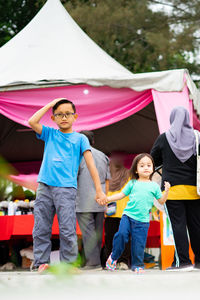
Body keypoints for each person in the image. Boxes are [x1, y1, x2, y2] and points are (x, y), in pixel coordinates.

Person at [28, 98, 107, 272]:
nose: (64, 117)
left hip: (66, 188)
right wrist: (49, 104)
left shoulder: (80, 139)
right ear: (53, 118)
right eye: (59, 114)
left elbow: (91, 164)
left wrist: (99, 190)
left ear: (75, 117)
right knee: (41, 226)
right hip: (45, 186)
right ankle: (41, 262)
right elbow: (32, 121)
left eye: (68, 114)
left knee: (67, 228)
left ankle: (68, 264)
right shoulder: (50, 133)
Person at [151, 106, 200, 271]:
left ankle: (183, 262)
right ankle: (199, 261)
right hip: (195, 190)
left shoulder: (164, 138)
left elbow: (153, 159)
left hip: (171, 190)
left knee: (178, 226)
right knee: (196, 226)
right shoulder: (197, 137)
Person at [105, 153, 170, 273]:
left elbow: (161, 201)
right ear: (136, 169)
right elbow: (121, 195)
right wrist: (107, 199)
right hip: (128, 216)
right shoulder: (132, 183)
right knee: (121, 235)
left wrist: (166, 192)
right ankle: (113, 257)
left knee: (138, 244)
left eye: (149, 165)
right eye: (142, 165)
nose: (146, 168)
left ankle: (137, 265)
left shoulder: (154, 186)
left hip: (143, 221)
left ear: (152, 168)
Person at [76, 130, 110, 270]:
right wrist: (105, 198)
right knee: (97, 231)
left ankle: (93, 263)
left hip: (83, 200)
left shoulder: (78, 156)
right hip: (100, 199)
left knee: (88, 233)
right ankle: (95, 262)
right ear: (93, 141)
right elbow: (107, 180)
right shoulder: (103, 156)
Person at [103, 152, 131, 270]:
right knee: (110, 238)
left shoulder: (128, 173)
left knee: (124, 237)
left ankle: (123, 261)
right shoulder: (106, 175)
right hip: (109, 213)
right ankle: (110, 261)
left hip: (125, 211)